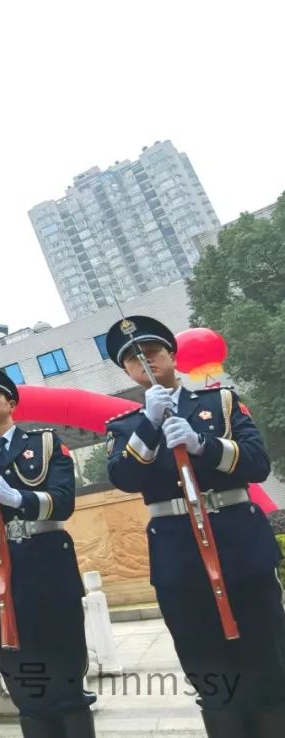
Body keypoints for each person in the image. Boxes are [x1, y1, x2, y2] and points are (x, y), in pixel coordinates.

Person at [103, 315, 285, 736]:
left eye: (150, 351)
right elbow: (124, 478)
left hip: (238, 540)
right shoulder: (126, 425)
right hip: (177, 552)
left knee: (268, 656)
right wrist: (149, 426)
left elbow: (257, 464)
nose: (143, 361)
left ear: (171, 355)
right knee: (206, 664)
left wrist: (204, 444)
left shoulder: (220, 403)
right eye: (132, 358)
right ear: (126, 371)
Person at [0, 364, 93, 738]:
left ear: (10, 401)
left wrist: (19, 497)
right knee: (24, 683)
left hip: (47, 563)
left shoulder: (45, 443)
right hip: (1, 573)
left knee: (65, 676)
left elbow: (63, 502)